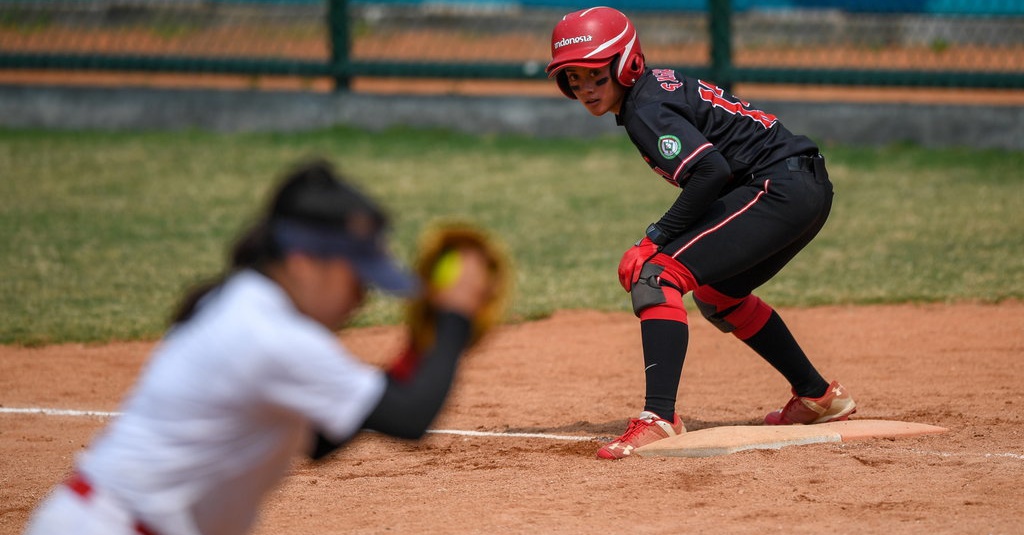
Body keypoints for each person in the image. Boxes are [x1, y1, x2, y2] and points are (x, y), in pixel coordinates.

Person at [24, 159, 495, 534]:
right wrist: (454, 318)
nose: (363, 296)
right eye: (357, 277)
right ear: (304, 262)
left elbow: (323, 440)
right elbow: (409, 418)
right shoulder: (268, 336)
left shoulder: (245, 303)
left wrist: (418, 348)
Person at [545, 7, 856, 460]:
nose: (585, 88)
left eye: (595, 73)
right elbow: (716, 177)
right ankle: (818, 397)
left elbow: (710, 172)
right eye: (573, 78)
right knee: (718, 294)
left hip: (778, 187)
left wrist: (653, 238)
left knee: (657, 276)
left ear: (626, 64)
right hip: (800, 185)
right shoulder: (651, 95)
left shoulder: (645, 109)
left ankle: (660, 418)